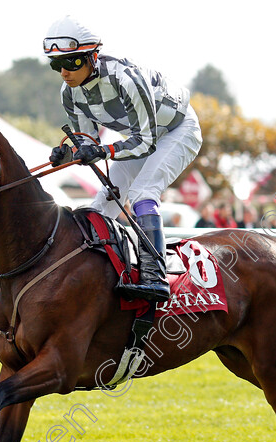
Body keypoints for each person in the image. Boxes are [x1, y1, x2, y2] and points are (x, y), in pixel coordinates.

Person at [44, 15, 202, 303]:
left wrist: (102, 151)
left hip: (177, 130)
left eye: (72, 62)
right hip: (138, 137)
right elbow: (87, 144)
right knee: (100, 203)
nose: (65, 72)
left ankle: (156, 276)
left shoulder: (125, 78)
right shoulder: (70, 94)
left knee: (144, 193)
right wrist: (68, 153)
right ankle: (91, 275)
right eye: (57, 65)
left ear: (92, 56)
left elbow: (146, 141)